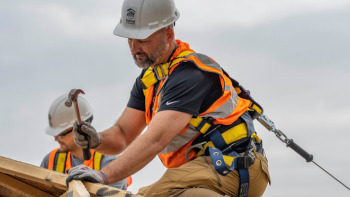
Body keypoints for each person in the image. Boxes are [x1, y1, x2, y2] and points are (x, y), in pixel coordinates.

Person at [66, 0, 271, 196]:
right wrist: (98, 140)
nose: (133, 48)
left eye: (142, 40)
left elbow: (155, 140)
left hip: (240, 166)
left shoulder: (189, 76)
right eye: (129, 39)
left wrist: (103, 175)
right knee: (142, 194)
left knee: (157, 195)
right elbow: (122, 134)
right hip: (210, 169)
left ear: (168, 35)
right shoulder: (149, 82)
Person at [40, 94, 127, 190]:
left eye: (61, 134)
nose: (56, 139)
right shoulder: (51, 160)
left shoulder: (109, 161)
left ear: (80, 129)